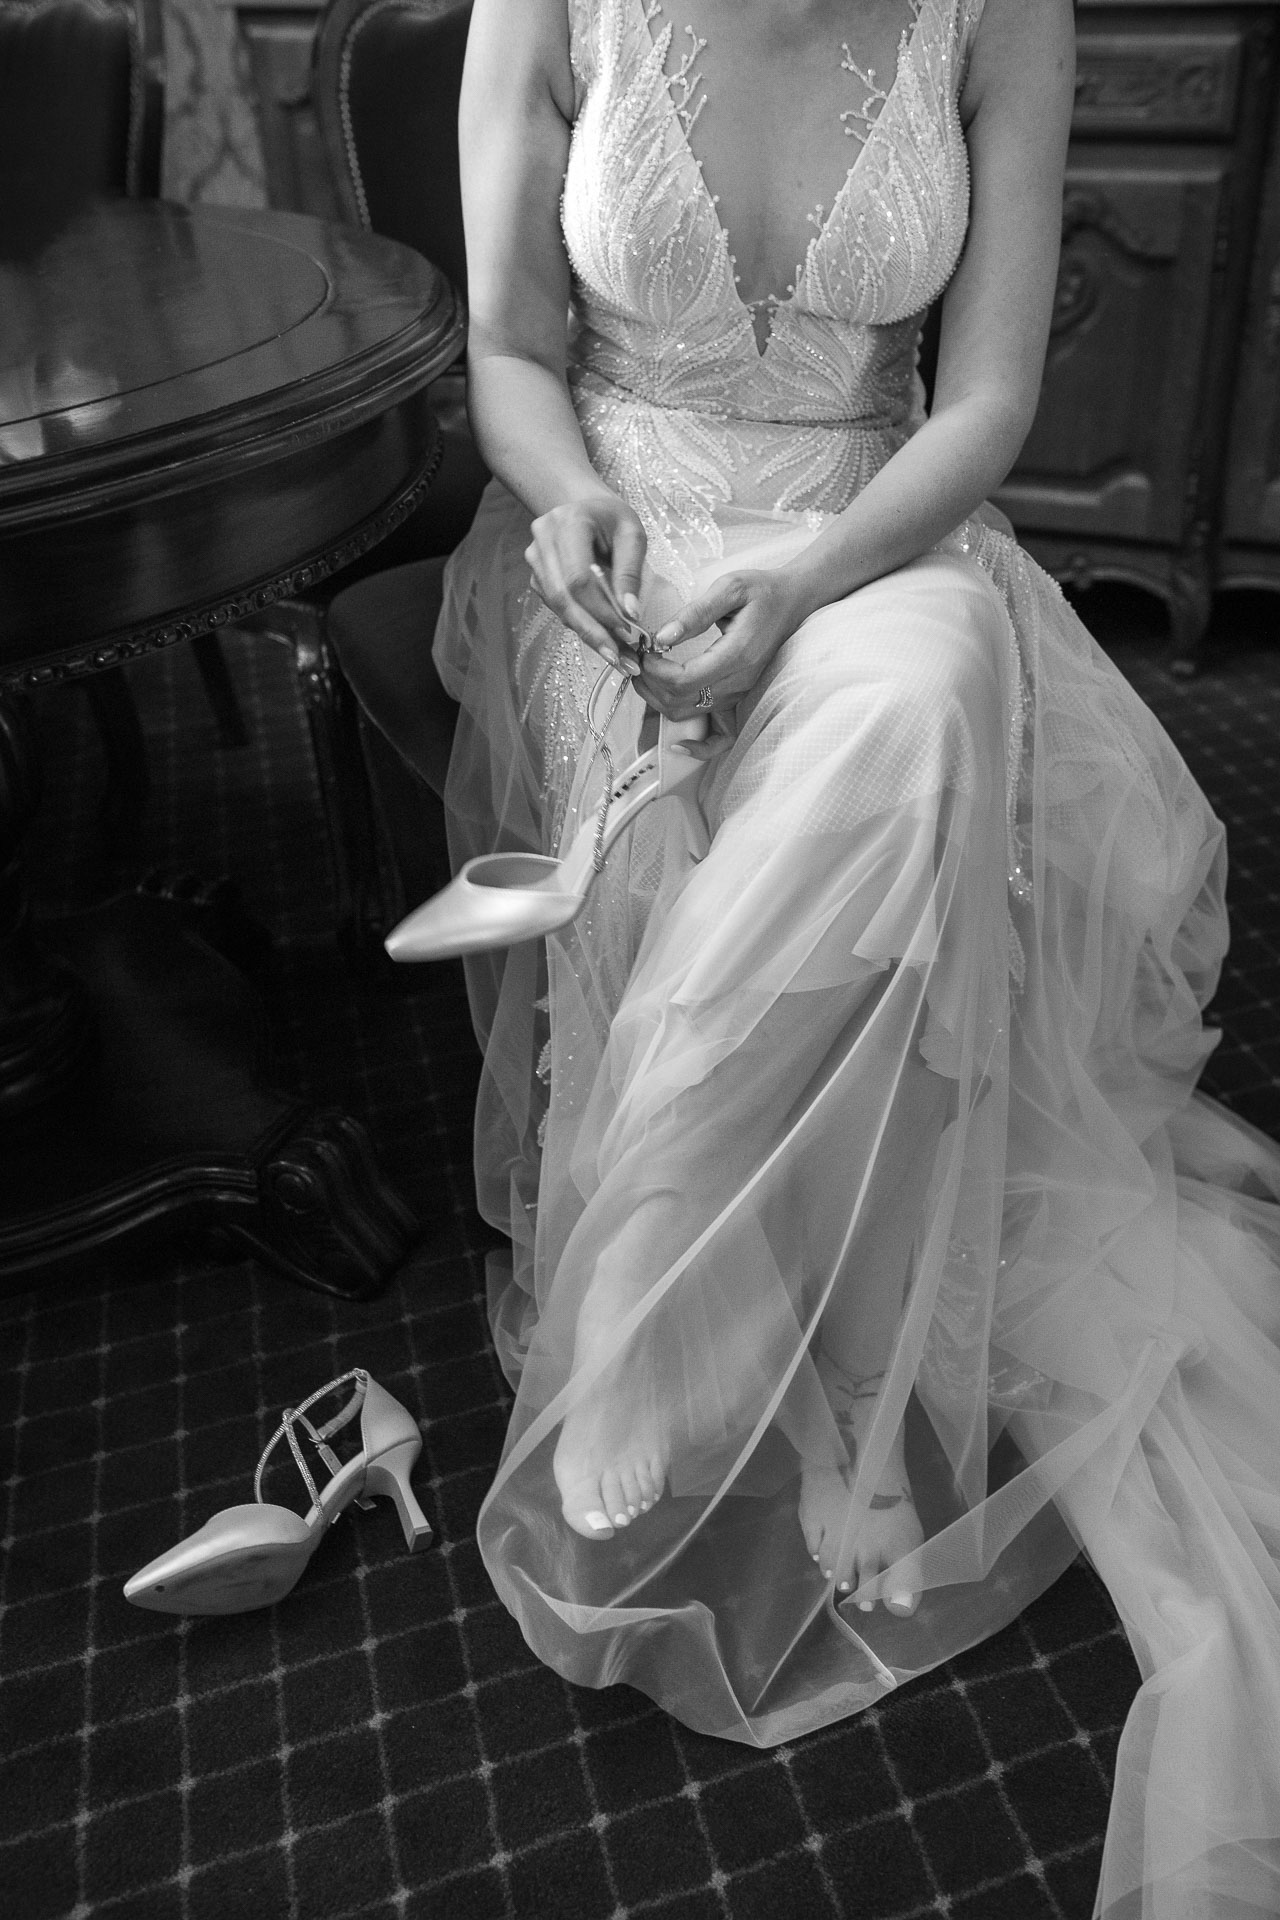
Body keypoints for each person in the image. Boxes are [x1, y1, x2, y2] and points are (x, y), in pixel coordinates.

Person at [429, 1, 1280, 1911]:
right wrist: (578, 511)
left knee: (915, 721)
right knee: (667, 806)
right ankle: (762, 1333)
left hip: (876, 532)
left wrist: (812, 575)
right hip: (619, 529)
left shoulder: (1003, 11)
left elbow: (986, 406)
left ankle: (734, 1302)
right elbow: (509, 352)